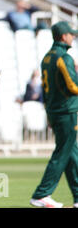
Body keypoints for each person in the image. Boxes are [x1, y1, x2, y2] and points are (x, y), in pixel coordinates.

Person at [30, 21, 78, 208]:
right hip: (67, 111)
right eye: (70, 34)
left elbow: (47, 90)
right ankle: (42, 193)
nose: (73, 37)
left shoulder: (47, 58)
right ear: (63, 36)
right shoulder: (62, 57)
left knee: (71, 153)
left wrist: (49, 112)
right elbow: (73, 86)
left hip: (55, 110)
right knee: (63, 153)